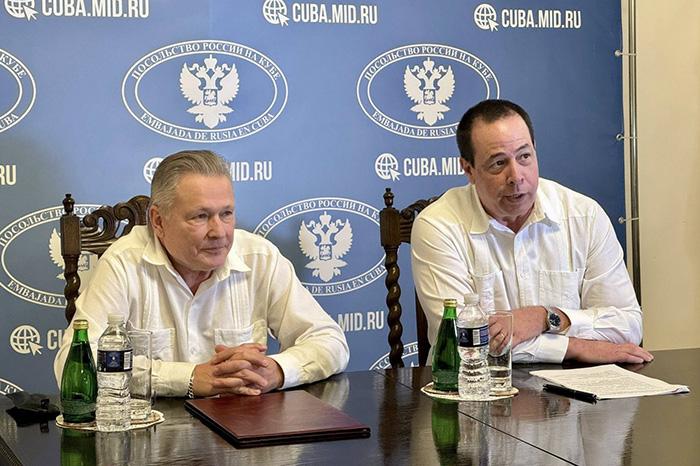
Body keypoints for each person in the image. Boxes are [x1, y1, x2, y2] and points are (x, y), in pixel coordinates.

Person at [54, 150, 349, 397]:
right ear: (158, 221)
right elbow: (73, 362)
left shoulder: (260, 258)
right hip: (154, 435)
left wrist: (277, 371)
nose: (219, 232)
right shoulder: (123, 262)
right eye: (201, 216)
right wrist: (189, 378)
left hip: (243, 430)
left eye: (226, 214)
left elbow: (330, 341)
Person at [411, 99, 653, 364]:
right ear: (469, 169)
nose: (516, 176)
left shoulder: (584, 215)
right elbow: (462, 343)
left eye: (524, 157)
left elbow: (628, 325)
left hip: (577, 385)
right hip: (476, 383)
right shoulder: (438, 225)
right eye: (498, 163)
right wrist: (572, 347)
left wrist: (545, 317)